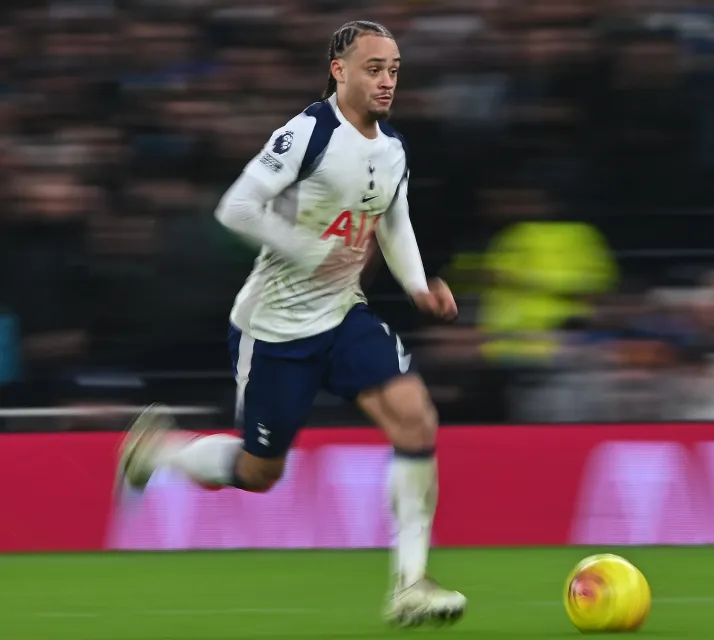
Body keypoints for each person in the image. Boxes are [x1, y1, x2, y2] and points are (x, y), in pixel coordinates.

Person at [115, 20, 466, 627]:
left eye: (394, 70)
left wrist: (416, 286)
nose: (386, 81)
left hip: (343, 316)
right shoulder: (307, 133)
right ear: (340, 71)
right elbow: (237, 207)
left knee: (415, 418)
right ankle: (160, 456)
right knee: (259, 471)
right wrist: (306, 251)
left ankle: (411, 584)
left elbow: (393, 220)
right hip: (274, 330)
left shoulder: (392, 149)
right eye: (374, 69)